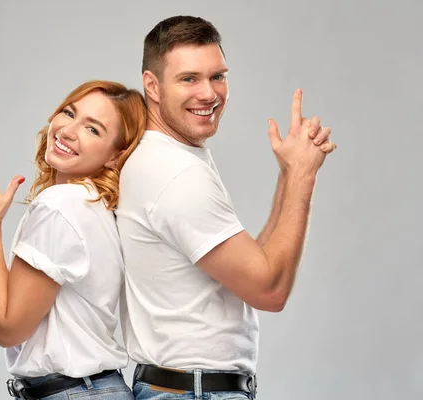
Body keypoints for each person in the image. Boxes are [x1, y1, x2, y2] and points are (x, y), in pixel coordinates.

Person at [115, 16, 338, 400]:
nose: (209, 93)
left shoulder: (171, 157)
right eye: (189, 79)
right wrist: (303, 177)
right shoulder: (176, 174)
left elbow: (251, 270)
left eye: (218, 76)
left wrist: (288, 173)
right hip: (192, 391)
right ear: (152, 86)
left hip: (184, 387)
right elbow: (269, 291)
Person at [0, 80, 147, 400]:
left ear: (116, 156)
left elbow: (8, 328)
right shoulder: (92, 205)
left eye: (93, 129)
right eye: (69, 113)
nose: (68, 130)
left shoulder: (61, 205)